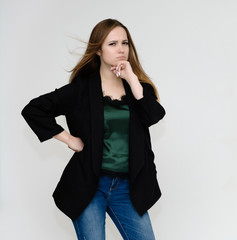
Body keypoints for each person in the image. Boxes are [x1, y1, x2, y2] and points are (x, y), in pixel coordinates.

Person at [21, 18, 165, 240]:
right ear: (98, 49)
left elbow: (154, 116)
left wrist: (132, 79)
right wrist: (68, 139)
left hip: (128, 187)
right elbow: (34, 109)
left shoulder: (138, 87)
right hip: (89, 185)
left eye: (125, 43)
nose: (121, 49)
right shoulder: (81, 89)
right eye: (112, 44)